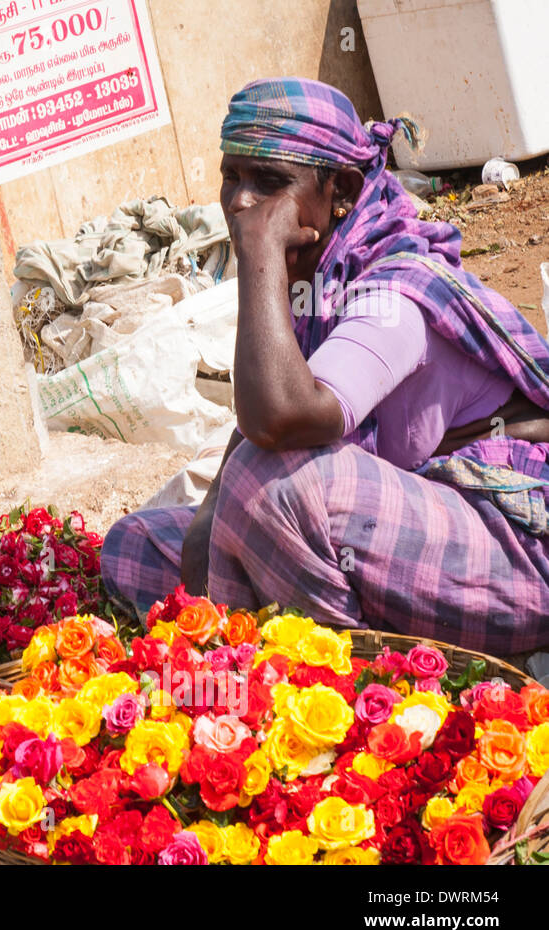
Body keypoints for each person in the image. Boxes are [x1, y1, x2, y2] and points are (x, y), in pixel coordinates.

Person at [101, 77, 549, 656]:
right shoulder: (314, 281)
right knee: (138, 545)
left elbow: (281, 419)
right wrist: (209, 516)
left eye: (270, 184)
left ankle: (347, 674)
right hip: (396, 531)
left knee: (269, 487)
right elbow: (260, 424)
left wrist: (259, 251)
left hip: (511, 546)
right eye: (232, 176)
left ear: (341, 189)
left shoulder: (395, 293)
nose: (241, 202)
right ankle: (273, 654)